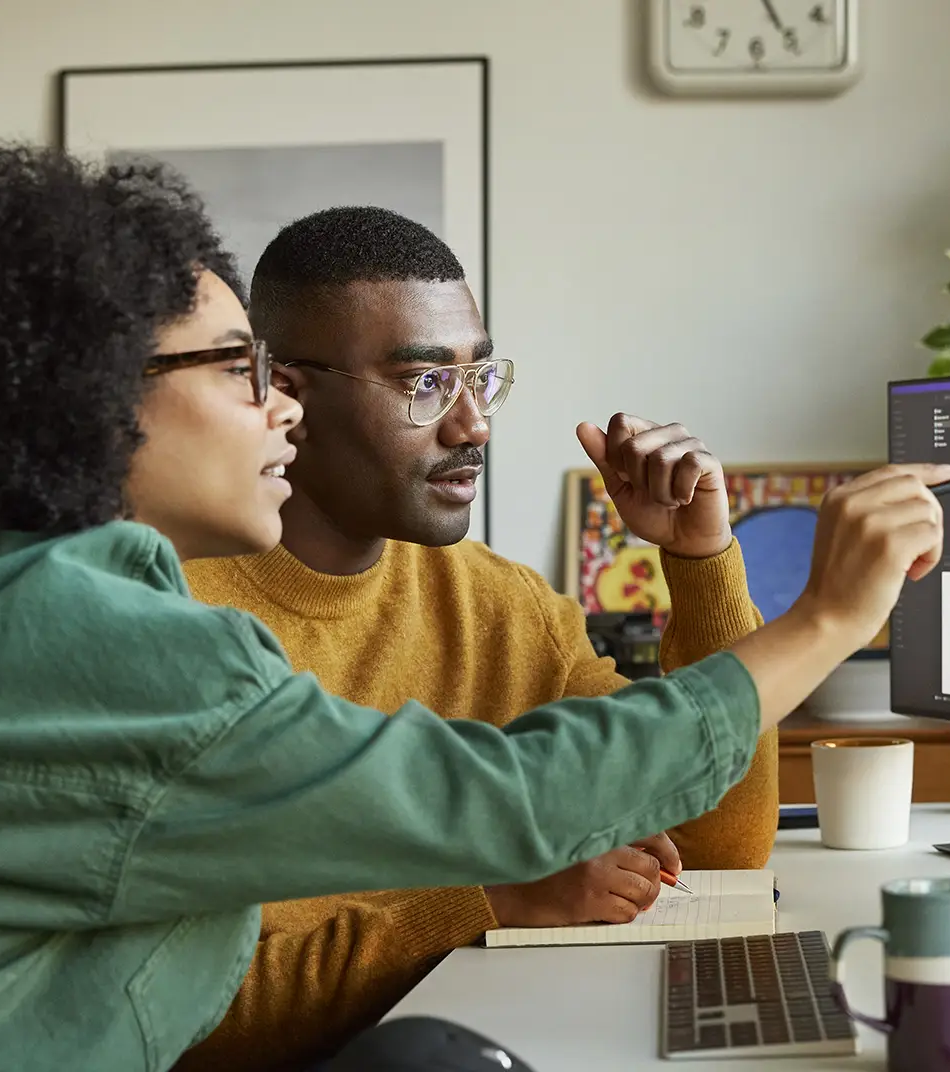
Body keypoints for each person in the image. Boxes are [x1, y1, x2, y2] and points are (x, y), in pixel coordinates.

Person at [0, 144, 950, 1072]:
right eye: (238, 368)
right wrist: (827, 616)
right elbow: (510, 803)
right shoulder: (67, 637)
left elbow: (684, 841)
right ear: (88, 396)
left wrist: (709, 574)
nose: (278, 405)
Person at [178, 207, 777, 1069]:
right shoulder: (171, 624)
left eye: (480, 378)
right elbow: (188, 1014)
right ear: (291, 398)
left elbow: (718, 849)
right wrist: (491, 901)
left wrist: (701, 561)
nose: (474, 426)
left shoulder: (501, 606)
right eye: (425, 384)